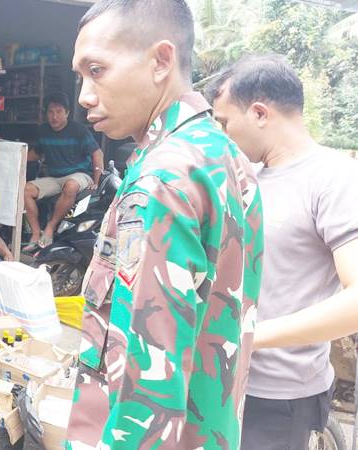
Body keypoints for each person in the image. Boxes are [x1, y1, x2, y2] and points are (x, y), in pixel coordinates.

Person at [65, 1, 264, 449]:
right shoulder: (225, 156)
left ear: (160, 61)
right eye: (81, 76)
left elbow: (147, 392)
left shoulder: (158, 182)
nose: (83, 94)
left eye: (96, 70)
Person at [207, 54, 358, 450]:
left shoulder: (333, 178)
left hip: (279, 398)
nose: (223, 135)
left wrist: (248, 336)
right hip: (220, 376)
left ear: (259, 113)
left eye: (225, 123)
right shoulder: (248, 177)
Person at [23, 92, 103, 251]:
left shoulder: (78, 130)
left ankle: (50, 228)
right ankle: (35, 233)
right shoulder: (43, 130)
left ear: (67, 113)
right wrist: (13, 154)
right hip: (55, 177)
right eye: (51, 112)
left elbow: (97, 153)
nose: (54, 116)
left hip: (79, 175)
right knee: (25, 190)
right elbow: (36, 154)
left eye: (59, 112)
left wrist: (96, 180)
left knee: (71, 186)